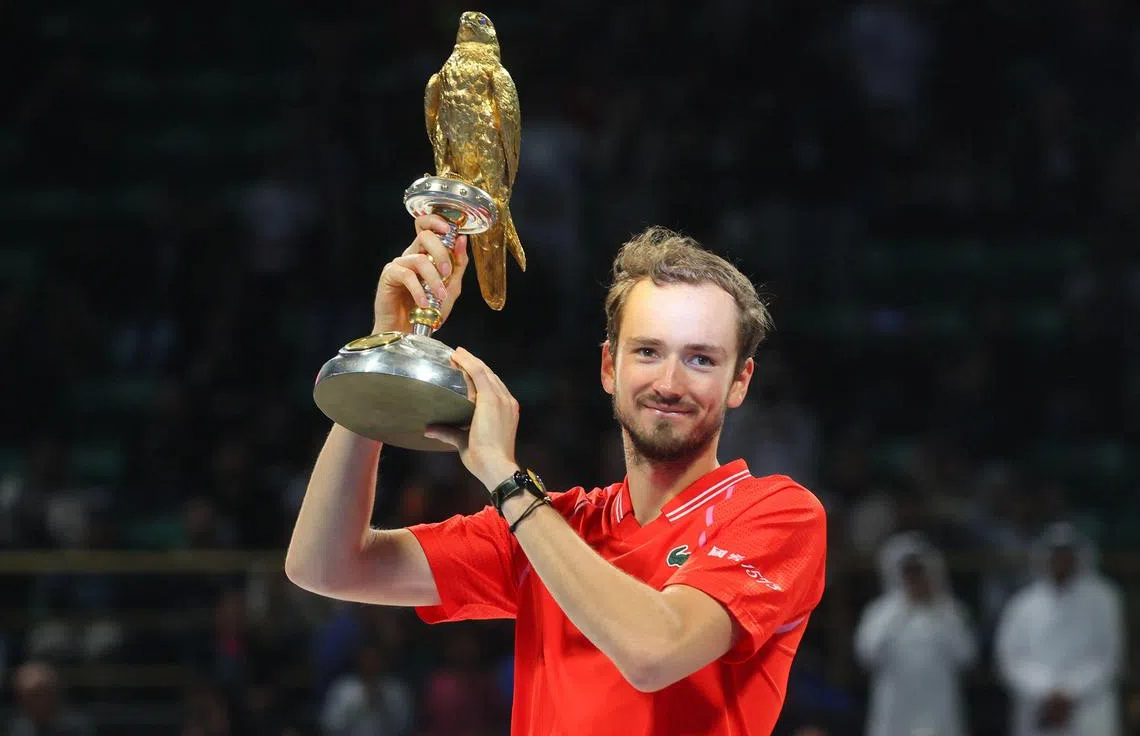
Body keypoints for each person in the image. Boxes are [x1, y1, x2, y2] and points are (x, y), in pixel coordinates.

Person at [286, 216, 828, 735]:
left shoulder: (776, 514)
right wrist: (386, 355)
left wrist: (504, 477)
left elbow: (655, 651)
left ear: (740, 382)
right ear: (608, 367)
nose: (668, 382)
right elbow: (326, 565)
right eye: (647, 351)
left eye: (702, 360)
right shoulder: (552, 527)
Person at [995, 521, 1125, 736]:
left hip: (1089, 706)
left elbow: (1108, 655)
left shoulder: (1104, 598)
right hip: (1037, 706)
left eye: (1067, 554)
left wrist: (1071, 691)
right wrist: (1046, 691)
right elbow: (1010, 658)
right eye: (1055, 554)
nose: (1061, 560)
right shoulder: (1023, 603)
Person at [854, 532, 977, 736]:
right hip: (894, 711)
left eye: (919, 572)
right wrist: (901, 608)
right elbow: (867, 654)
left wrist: (938, 610)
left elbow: (966, 657)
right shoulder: (880, 612)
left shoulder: (950, 611)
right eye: (909, 572)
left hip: (938, 710)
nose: (914, 578)